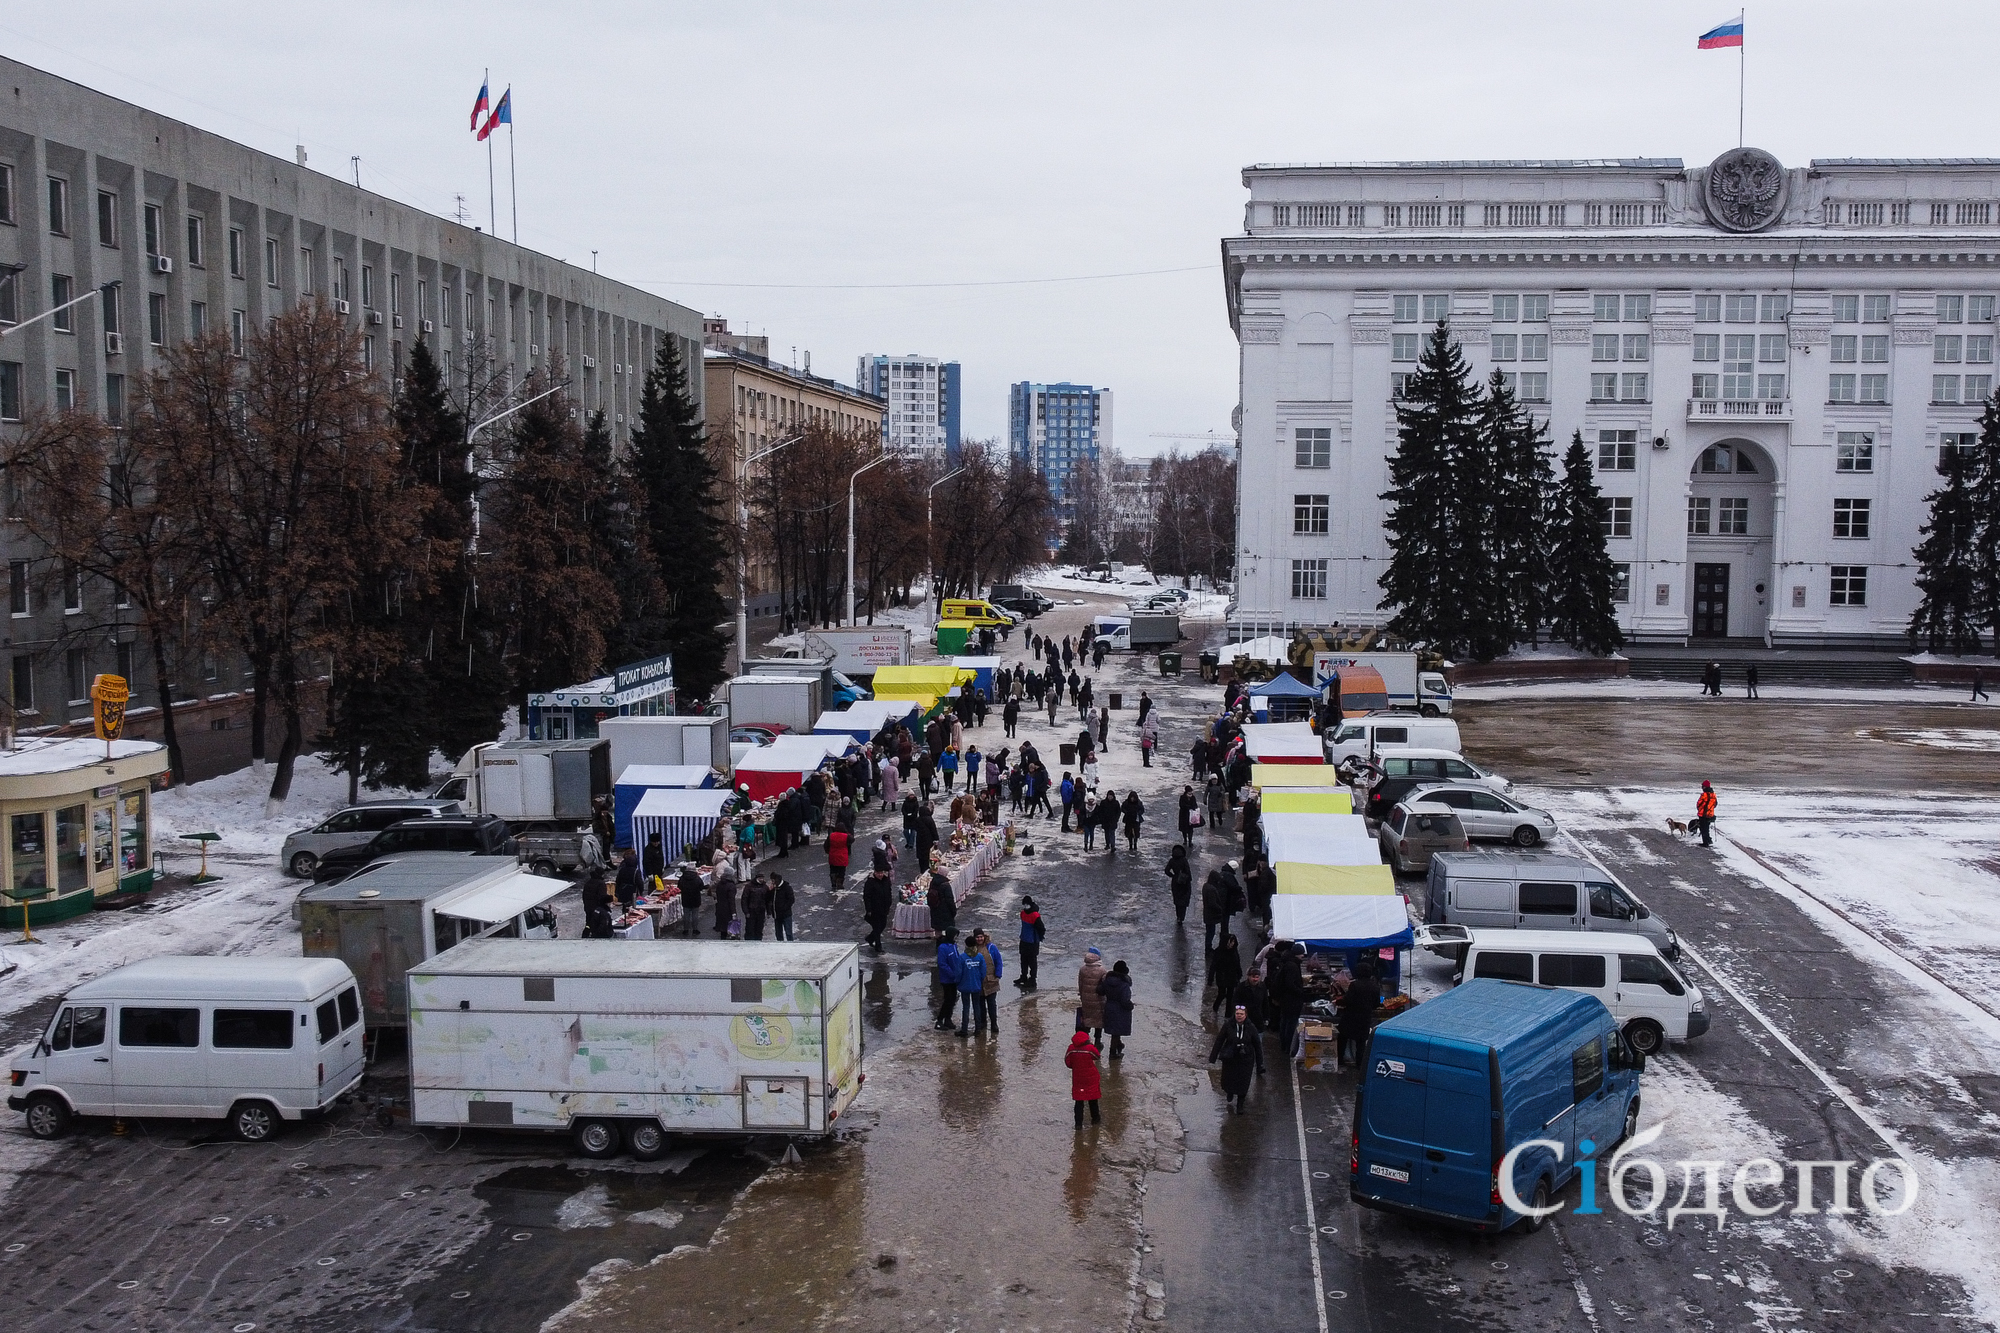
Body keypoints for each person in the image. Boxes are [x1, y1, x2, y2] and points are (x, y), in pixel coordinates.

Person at [1209, 1005, 1261, 1114]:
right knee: (1229, 1079)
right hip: (1231, 1058)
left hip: (1245, 1059)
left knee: (1243, 1082)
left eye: (1241, 1014)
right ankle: (1230, 1091)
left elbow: (1257, 1045)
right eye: (1237, 1014)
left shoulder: (1251, 1027)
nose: (1239, 1016)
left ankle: (1240, 1104)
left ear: (1245, 1015)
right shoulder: (1228, 1025)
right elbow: (1219, 1040)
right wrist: (1213, 1057)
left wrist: (1260, 1063)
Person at [1337, 961, 1381, 1069]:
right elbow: (1376, 1003)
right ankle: (1359, 1064)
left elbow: (1348, 1000)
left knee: (1343, 1038)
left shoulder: (1355, 985)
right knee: (1361, 1042)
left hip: (1351, 1016)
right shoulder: (1375, 986)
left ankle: (1340, 1060)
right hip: (1365, 1017)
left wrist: (1339, 1001)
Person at [1267, 942, 1306, 1063]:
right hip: (1292, 1000)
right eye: (1302, 954)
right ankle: (1287, 1046)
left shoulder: (1286, 963)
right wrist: (1301, 991)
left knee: (1284, 1021)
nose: (1303, 956)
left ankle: (1284, 1044)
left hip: (1285, 999)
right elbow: (1290, 984)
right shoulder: (1292, 966)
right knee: (1290, 1023)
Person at [1067, 1028, 1103, 1128]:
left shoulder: (1071, 1049)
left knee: (1079, 1101)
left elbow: (1068, 1062)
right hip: (1091, 1078)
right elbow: (1097, 1056)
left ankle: (1078, 1124)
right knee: (1093, 1099)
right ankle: (1095, 1119)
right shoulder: (1089, 1049)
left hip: (1078, 1079)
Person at [1098, 960, 1133, 1060]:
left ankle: (1118, 1045)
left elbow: (1100, 991)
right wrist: (1130, 1006)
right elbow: (1125, 1000)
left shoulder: (1107, 981)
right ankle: (1113, 1053)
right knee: (1117, 1031)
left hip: (1109, 1007)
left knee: (1115, 1030)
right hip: (1120, 1010)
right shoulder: (1124, 984)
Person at [955, 935, 988, 1037]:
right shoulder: (979, 957)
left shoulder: (962, 957)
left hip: (965, 985)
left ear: (966, 945)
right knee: (976, 1006)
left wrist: (957, 983)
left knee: (966, 1007)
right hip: (976, 985)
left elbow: (958, 973)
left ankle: (964, 1029)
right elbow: (983, 972)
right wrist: (979, 981)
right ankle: (978, 1028)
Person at [1077, 947, 1108, 1047]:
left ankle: (1084, 1040)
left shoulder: (1082, 969)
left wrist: (1082, 996)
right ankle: (1097, 1041)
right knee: (1098, 1021)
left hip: (1086, 999)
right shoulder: (1102, 970)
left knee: (1087, 1019)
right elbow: (1105, 986)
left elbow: (1080, 984)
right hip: (1098, 1000)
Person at [1208, 933, 1242, 1017]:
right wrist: (1210, 979)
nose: (1232, 944)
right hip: (1222, 976)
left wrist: (1239, 974)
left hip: (1232, 977)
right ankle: (1215, 1008)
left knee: (1230, 996)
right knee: (1222, 994)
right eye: (1230, 942)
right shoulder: (1219, 951)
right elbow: (1213, 966)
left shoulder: (1234, 952)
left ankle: (1228, 1015)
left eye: (1233, 942)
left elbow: (1237, 963)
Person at [934, 935, 964, 1029]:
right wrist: (952, 974)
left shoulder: (953, 946)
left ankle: (948, 1019)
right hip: (946, 979)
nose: (955, 937)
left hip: (954, 979)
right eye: (954, 935)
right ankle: (939, 1020)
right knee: (948, 999)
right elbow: (942, 963)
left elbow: (957, 959)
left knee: (953, 999)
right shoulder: (943, 947)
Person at [977, 929, 1003, 1033]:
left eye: (981, 937)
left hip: (991, 980)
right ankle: (983, 1023)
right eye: (977, 937)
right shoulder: (972, 949)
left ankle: (994, 1024)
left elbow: (998, 961)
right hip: (978, 982)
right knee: (981, 1004)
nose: (979, 939)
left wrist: (998, 974)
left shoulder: (992, 947)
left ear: (984, 937)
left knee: (992, 1004)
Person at [1017, 895, 1045, 989]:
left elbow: (1041, 928)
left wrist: (1039, 938)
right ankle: (1023, 976)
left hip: (1032, 942)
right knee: (1023, 960)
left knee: (1032, 962)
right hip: (1024, 940)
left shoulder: (1035, 915)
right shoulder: (1022, 913)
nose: (1025, 906)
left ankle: (1032, 979)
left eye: (1026, 904)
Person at [1200, 870, 1231, 956]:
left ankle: (1208, 948)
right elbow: (1212, 903)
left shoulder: (1205, 886)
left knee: (1209, 931)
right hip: (1211, 914)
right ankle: (1208, 949)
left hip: (1207, 913)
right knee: (1211, 932)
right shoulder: (1211, 889)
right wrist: (1220, 908)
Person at [861, 867, 892, 953]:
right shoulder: (870, 882)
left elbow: (889, 893)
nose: (880, 875)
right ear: (875, 873)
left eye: (881, 873)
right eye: (878, 873)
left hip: (884, 908)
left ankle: (870, 938)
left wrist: (889, 904)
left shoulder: (886, 881)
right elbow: (867, 896)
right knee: (877, 927)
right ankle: (878, 946)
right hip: (875, 909)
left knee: (883, 925)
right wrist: (869, 909)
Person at [1163, 844, 1192, 924]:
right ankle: (1182, 917)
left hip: (1175, 882)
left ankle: (1178, 916)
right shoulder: (1184, 860)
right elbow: (1188, 871)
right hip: (1184, 882)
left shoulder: (1172, 860)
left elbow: (1166, 870)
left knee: (1177, 900)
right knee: (1184, 899)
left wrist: (1173, 876)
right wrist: (1188, 879)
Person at [927, 863, 957, 941]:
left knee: (938, 929)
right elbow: (949, 899)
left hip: (935, 908)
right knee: (948, 927)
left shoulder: (933, 882)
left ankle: (938, 941)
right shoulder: (945, 885)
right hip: (945, 910)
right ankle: (948, 941)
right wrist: (953, 910)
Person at [711, 854, 739, 939]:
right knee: (730, 928)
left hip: (720, 907)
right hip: (728, 909)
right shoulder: (731, 886)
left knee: (722, 929)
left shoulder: (720, 884)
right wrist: (734, 912)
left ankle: (722, 940)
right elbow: (731, 900)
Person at [581, 870, 614, 939]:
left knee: (589, 923)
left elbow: (584, 896)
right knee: (597, 924)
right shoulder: (601, 883)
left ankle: (585, 936)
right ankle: (594, 937)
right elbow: (602, 897)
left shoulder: (588, 882)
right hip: (597, 909)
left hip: (588, 907)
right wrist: (610, 898)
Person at [676, 863, 704, 938]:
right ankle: (695, 929)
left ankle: (686, 930)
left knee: (686, 915)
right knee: (695, 914)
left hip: (685, 898)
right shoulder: (697, 878)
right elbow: (701, 887)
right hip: (696, 898)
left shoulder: (682, 878)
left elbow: (679, 886)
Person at [741, 874, 770, 941]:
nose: (761, 879)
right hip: (751, 912)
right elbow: (744, 900)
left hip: (761, 911)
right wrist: (746, 912)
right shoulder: (749, 887)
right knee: (750, 929)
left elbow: (768, 900)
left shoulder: (765, 887)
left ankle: (758, 942)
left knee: (759, 929)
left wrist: (769, 912)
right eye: (760, 878)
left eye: (762, 878)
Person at [826, 822, 852, 895]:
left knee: (833, 870)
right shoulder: (846, 836)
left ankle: (833, 883)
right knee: (841, 871)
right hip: (842, 856)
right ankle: (840, 884)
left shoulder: (831, 835)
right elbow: (852, 840)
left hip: (833, 855)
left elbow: (826, 844)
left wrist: (828, 851)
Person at [1097, 787, 1123, 855]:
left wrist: (1116, 819)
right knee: (1106, 833)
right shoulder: (1103, 802)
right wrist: (1101, 818)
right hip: (1105, 821)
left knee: (1112, 833)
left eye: (1111, 796)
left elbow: (1118, 812)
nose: (1110, 797)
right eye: (1109, 796)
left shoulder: (1116, 803)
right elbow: (1100, 811)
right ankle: (1107, 844)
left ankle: (1112, 846)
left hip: (1113, 821)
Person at [771, 872, 796, 941]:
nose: (772, 882)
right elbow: (770, 900)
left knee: (788, 933)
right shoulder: (774, 889)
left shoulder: (787, 888)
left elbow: (791, 900)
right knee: (778, 933)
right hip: (777, 915)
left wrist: (784, 908)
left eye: (773, 881)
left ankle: (790, 947)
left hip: (786, 915)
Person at [1695, 779, 1718, 847]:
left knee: (1703, 828)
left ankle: (1705, 843)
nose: (1702, 788)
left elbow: (1699, 804)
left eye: (1703, 786)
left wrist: (1700, 809)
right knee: (1706, 828)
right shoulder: (1713, 794)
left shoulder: (1704, 795)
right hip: (1710, 814)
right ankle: (1708, 840)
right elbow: (1715, 804)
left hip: (1703, 814)